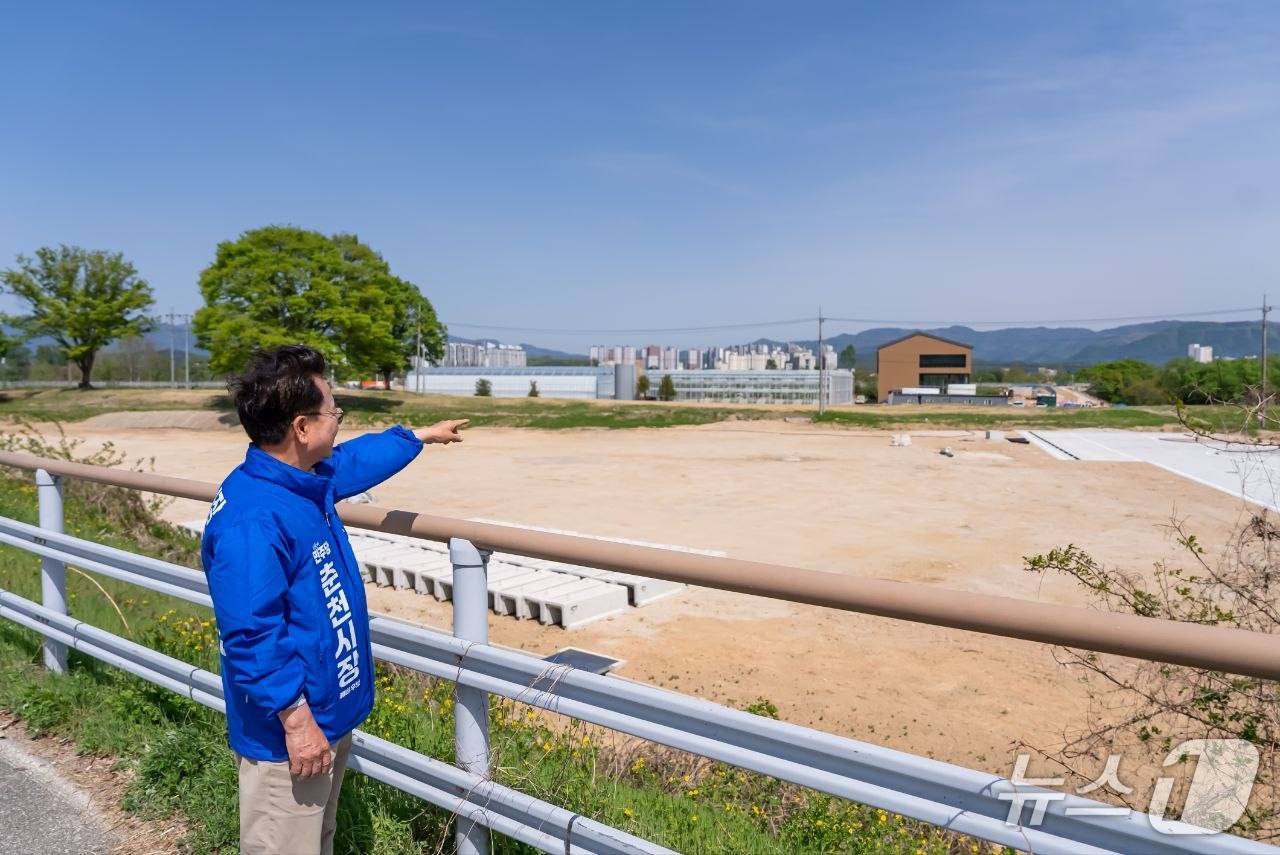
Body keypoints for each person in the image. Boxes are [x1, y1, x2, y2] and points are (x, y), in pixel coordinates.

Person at [201, 344, 467, 855]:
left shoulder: (300, 480)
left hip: (322, 709)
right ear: (301, 427)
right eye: (333, 411)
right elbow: (251, 635)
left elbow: (353, 461)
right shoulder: (254, 520)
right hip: (288, 732)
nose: (339, 422)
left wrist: (417, 437)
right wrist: (297, 724)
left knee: (316, 839)